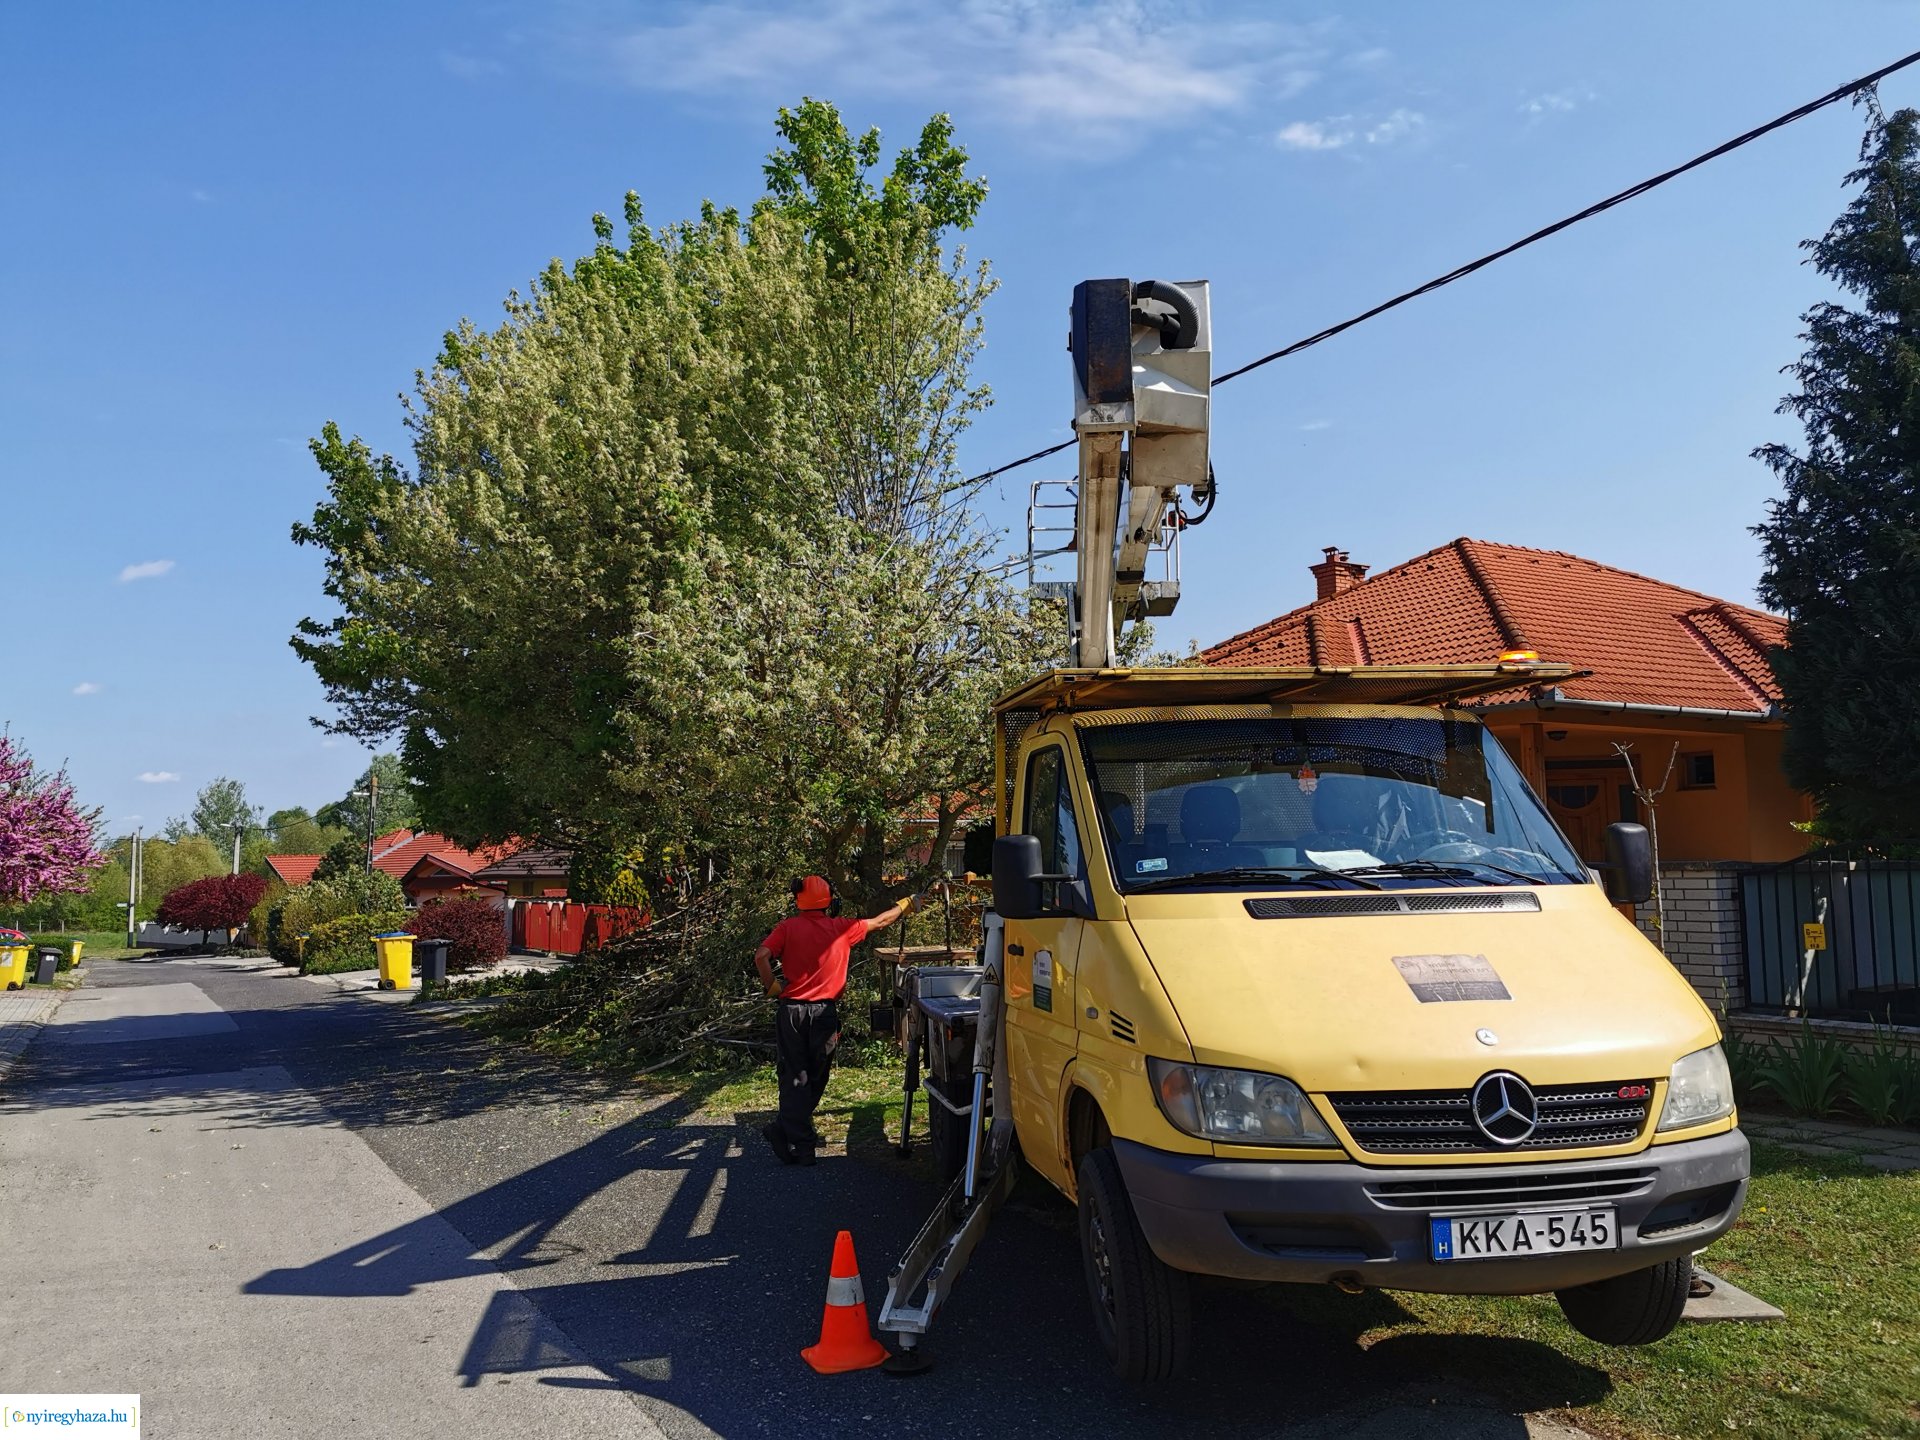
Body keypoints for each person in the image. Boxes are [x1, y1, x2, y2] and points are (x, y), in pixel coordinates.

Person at [751, 874, 941, 1166]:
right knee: (816, 1075)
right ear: (831, 902)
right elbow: (880, 921)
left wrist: (772, 987)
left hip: (791, 1012)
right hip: (824, 1013)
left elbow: (761, 956)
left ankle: (783, 1129)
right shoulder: (841, 928)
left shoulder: (787, 927)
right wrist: (907, 905)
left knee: (795, 1076)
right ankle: (803, 1145)